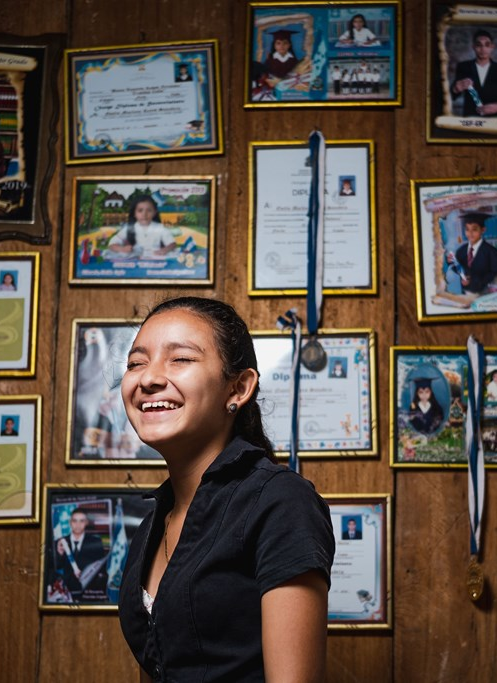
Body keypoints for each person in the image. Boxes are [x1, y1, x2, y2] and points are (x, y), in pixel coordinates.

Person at [117, 297, 334, 682]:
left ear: (238, 388)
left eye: (180, 358)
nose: (148, 377)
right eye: (136, 362)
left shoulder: (280, 501)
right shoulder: (153, 522)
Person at [451, 29, 497, 116]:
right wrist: (456, 89)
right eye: (478, 45)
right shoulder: (464, 67)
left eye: (487, 45)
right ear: (473, 47)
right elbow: (451, 96)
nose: (483, 49)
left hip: (496, 120)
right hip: (471, 119)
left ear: (492, 47)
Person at [54, 508, 108, 601]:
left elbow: (101, 568)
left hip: (89, 593)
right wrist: (60, 553)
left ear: (86, 522)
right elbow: (56, 568)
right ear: (70, 522)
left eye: (81, 521)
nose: (78, 525)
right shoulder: (60, 543)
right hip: (66, 594)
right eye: (75, 521)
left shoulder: (95, 542)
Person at [107, 195, 180, 259]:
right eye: (140, 210)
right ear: (134, 213)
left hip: (156, 261)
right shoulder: (129, 228)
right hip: (135, 262)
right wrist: (122, 249)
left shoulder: (160, 228)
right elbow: (112, 244)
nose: (144, 214)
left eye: (149, 210)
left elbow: (172, 244)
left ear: (154, 212)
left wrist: (164, 250)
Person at [447, 212, 497, 294]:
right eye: (467, 229)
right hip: (465, 293)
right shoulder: (461, 251)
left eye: (474, 229)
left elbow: (496, 275)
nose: (470, 233)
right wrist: (451, 262)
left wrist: (473, 280)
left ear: (483, 230)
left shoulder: (493, 253)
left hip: (485, 294)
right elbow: (459, 269)